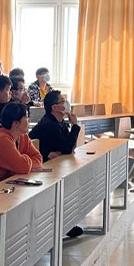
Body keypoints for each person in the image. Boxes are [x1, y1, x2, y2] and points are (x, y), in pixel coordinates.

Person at [29, 91, 83, 238]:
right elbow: (67, 148)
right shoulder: (49, 124)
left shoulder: (60, 122)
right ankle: (62, 225)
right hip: (41, 168)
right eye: (62, 101)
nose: (66, 103)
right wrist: (75, 126)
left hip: (51, 164)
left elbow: (67, 148)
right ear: (55, 107)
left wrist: (62, 150)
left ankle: (65, 223)